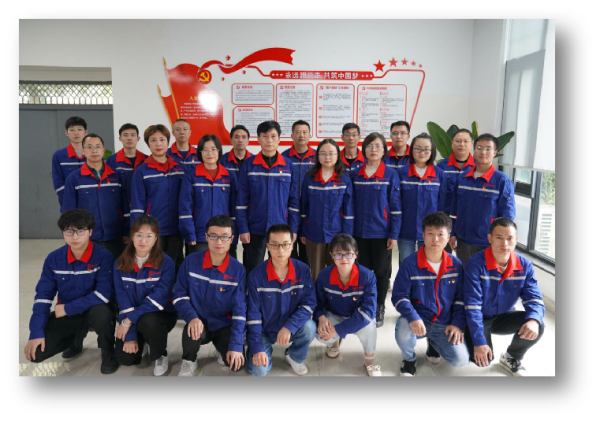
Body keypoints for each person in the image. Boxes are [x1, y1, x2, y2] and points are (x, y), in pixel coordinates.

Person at [23, 209, 118, 374]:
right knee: (36, 353)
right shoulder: (53, 259)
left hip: (93, 310)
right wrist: (35, 332)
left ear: (90, 232)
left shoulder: (103, 256)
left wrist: (68, 308)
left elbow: (104, 294)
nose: (74, 237)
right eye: (69, 232)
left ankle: (108, 351)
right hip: (69, 315)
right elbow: (43, 297)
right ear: (63, 233)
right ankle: (75, 338)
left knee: (103, 313)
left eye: (80, 231)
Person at [463, 218, 545, 376]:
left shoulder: (525, 265)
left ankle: (511, 357)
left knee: (538, 324)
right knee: (481, 360)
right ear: (490, 238)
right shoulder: (475, 264)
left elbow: (534, 298)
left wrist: (534, 320)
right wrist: (479, 342)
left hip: (503, 316)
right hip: (478, 317)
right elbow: (472, 305)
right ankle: (446, 338)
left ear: (516, 240)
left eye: (509, 238)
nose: (505, 243)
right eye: (499, 237)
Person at [392, 212, 469, 376]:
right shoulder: (410, 264)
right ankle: (409, 360)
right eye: (430, 234)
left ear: (448, 237)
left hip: (444, 322)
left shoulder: (455, 265)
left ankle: (433, 344)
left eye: (440, 234)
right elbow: (399, 296)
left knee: (461, 360)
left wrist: (457, 323)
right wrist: (413, 317)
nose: (435, 239)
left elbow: (461, 298)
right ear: (423, 235)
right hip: (418, 319)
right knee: (403, 330)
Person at [173, 215, 247, 376]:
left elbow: (240, 310)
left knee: (237, 365)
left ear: (232, 239)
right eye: (213, 236)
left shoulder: (238, 270)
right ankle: (189, 360)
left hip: (223, 324)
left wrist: (236, 345)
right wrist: (192, 317)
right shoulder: (191, 262)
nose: (219, 241)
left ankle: (221, 348)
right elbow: (179, 295)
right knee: (192, 330)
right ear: (206, 236)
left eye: (224, 237)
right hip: (199, 323)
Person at [246, 224, 317, 376]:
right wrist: (257, 349)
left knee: (309, 327)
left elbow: (309, 304)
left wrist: (289, 327)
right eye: (275, 245)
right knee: (258, 371)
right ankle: (260, 349)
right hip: (264, 331)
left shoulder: (303, 270)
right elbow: (253, 316)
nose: (281, 250)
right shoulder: (256, 276)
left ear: (292, 245)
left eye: (285, 244)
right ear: (268, 246)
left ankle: (294, 356)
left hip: (291, 327)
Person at [113, 215, 178, 376]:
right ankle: (143, 341)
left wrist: (128, 321)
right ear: (132, 237)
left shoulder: (166, 263)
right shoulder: (120, 263)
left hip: (159, 315)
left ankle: (160, 354)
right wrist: (130, 335)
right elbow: (123, 300)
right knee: (126, 358)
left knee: (150, 322)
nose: (143, 240)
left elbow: (158, 298)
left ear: (156, 238)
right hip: (132, 316)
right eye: (139, 235)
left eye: (149, 236)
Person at [350, 132, 401, 328]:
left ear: (384, 151)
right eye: (370, 146)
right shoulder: (355, 174)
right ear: (364, 150)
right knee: (362, 271)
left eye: (378, 146)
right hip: (359, 232)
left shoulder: (390, 174)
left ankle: (379, 306)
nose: (373, 150)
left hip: (381, 233)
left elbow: (395, 207)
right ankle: (365, 304)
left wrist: (394, 233)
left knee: (381, 272)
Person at [236, 120, 300, 274]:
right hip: (254, 228)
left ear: (279, 139)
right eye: (265, 136)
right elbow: (241, 201)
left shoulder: (288, 166)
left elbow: (294, 202)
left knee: (280, 268)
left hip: (280, 228)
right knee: (253, 268)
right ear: (258, 139)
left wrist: (293, 229)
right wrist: (243, 229)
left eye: (273, 136)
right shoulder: (249, 165)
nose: (269, 140)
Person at [314, 234, 380, 376]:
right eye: (338, 254)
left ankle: (370, 360)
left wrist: (337, 330)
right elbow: (317, 302)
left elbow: (369, 311)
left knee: (369, 327)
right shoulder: (324, 275)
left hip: (358, 316)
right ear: (332, 256)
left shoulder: (367, 276)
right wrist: (321, 317)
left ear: (356, 254)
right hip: (335, 314)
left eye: (348, 254)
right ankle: (334, 342)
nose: (344, 259)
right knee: (319, 333)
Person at [449, 133, 516, 265]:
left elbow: (507, 216)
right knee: (465, 273)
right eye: (479, 148)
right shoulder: (462, 178)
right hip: (463, 240)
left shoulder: (502, 181)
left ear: (495, 152)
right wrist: (452, 233)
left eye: (488, 149)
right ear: (474, 150)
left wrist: (501, 241)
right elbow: (454, 209)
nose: (483, 152)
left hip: (487, 242)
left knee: (486, 275)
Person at [130, 124, 186, 273]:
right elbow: (137, 203)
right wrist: (137, 230)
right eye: (153, 140)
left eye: (162, 139)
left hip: (176, 227)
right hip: (153, 229)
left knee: (175, 263)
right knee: (155, 265)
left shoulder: (179, 168)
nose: (158, 143)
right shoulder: (142, 170)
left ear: (168, 142)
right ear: (148, 144)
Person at [62, 133, 128, 260]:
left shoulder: (116, 176)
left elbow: (125, 207)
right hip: (87, 237)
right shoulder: (74, 178)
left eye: (98, 146)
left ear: (103, 150)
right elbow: (68, 210)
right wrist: (71, 234)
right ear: (83, 151)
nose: (94, 150)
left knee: (115, 268)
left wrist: (126, 231)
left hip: (115, 236)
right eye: (90, 147)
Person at [300, 139, 354, 282]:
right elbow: (304, 208)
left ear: (337, 156)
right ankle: (317, 296)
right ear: (318, 156)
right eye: (323, 153)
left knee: (336, 272)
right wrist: (303, 232)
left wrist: (347, 237)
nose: (327, 157)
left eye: (331, 153)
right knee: (316, 273)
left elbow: (349, 212)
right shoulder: (310, 178)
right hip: (314, 232)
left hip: (337, 234)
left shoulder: (344, 179)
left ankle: (333, 296)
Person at [179, 135, 236, 254]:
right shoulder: (191, 176)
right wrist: (189, 233)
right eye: (205, 150)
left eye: (213, 149)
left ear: (219, 151)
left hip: (223, 235)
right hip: (200, 235)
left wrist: (233, 233)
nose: (210, 153)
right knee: (199, 264)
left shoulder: (228, 176)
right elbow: (185, 207)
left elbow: (234, 207)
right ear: (200, 152)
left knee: (222, 264)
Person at [397, 133, 447, 266]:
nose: (422, 152)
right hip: (405, 228)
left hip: (431, 231)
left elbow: (442, 204)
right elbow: (396, 202)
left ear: (432, 151)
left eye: (426, 149)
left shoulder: (439, 174)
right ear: (412, 150)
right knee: (406, 264)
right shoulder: (401, 173)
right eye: (418, 148)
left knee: (427, 264)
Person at [436, 129, 476, 253]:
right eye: (458, 141)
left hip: (468, 221)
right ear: (452, 143)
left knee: (466, 258)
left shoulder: (478, 167)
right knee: (443, 256)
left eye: (466, 141)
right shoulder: (441, 167)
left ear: (471, 144)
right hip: (445, 220)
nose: (462, 144)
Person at [282, 120, 315, 265]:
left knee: (307, 252)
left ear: (310, 135)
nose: (301, 135)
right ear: (292, 135)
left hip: (310, 210)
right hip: (289, 211)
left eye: (304, 132)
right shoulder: (284, 158)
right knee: (289, 251)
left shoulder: (317, 157)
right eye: (298, 132)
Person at [219, 125, 254, 259]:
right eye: (237, 137)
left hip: (249, 214)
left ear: (248, 140)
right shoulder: (222, 162)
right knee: (229, 250)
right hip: (228, 213)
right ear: (231, 140)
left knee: (250, 252)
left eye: (244, 137)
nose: (240, 140)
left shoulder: (255, 162)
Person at [106, 123, 147, 210]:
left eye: (133, 135)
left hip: (143, 206)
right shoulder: (112, 161)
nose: (129, 138)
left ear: (138, 138)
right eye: (125, 135)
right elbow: (109, 187)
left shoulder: (146, 160)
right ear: (120, 139)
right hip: (120, 207)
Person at [52, 116, 88, 209]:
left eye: (79, 129)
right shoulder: (59, 155)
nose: (76, 133)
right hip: (69, 205)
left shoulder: (93, 154)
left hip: (91, 203)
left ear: (85, 132)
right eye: (72, 130)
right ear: (66, 133)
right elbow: (58, 183)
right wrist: (69, 201)